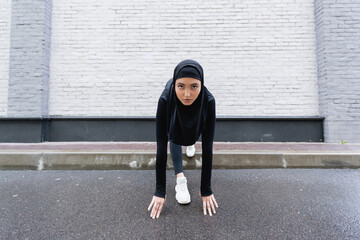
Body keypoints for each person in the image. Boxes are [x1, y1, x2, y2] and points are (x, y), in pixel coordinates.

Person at [147, 59, 218, 219]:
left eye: (194, 86)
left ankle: (190, 142)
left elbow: (207, 145)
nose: (187, 94)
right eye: (181, 86)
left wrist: (205, 188)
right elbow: (161, 144)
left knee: (191, 134)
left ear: (201, 84)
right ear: (175, 85)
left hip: (196, 117)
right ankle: (180, 178)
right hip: (175, 113)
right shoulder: (165, 99)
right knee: (176, 135)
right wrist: (160, 190)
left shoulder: (208, 100)